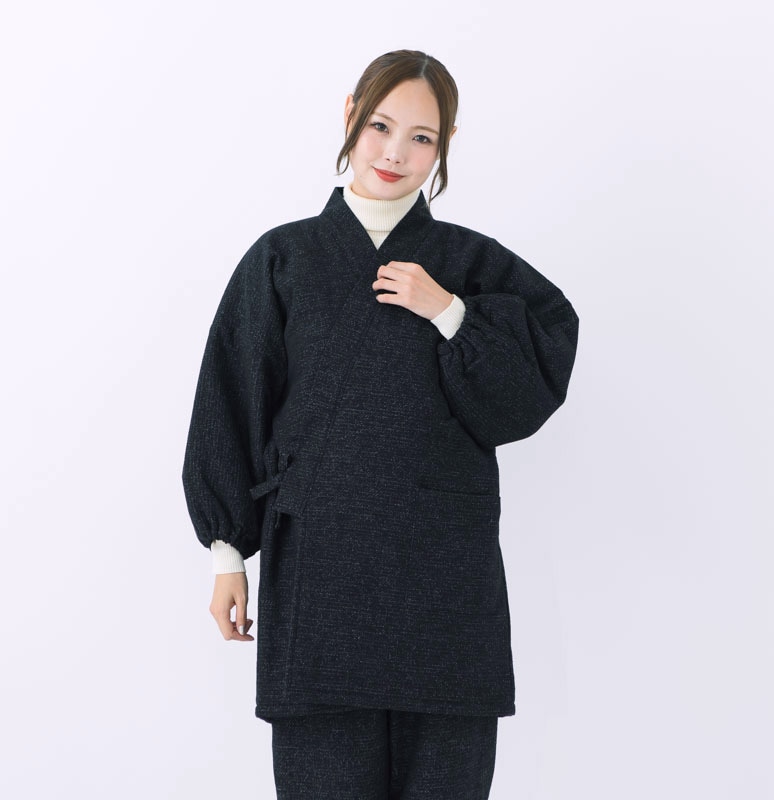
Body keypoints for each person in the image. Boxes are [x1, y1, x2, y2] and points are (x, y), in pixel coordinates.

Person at [182, 49, 579, 800]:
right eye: (380, 126)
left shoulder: (470, 265)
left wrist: (450, 311)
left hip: (447, 597)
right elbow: (229, 402)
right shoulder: (282, 259)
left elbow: (524, 399)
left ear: (446, 144)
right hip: (321, 594)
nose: (396, 153)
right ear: (350, 117)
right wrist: (227, 553)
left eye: (422, 138)